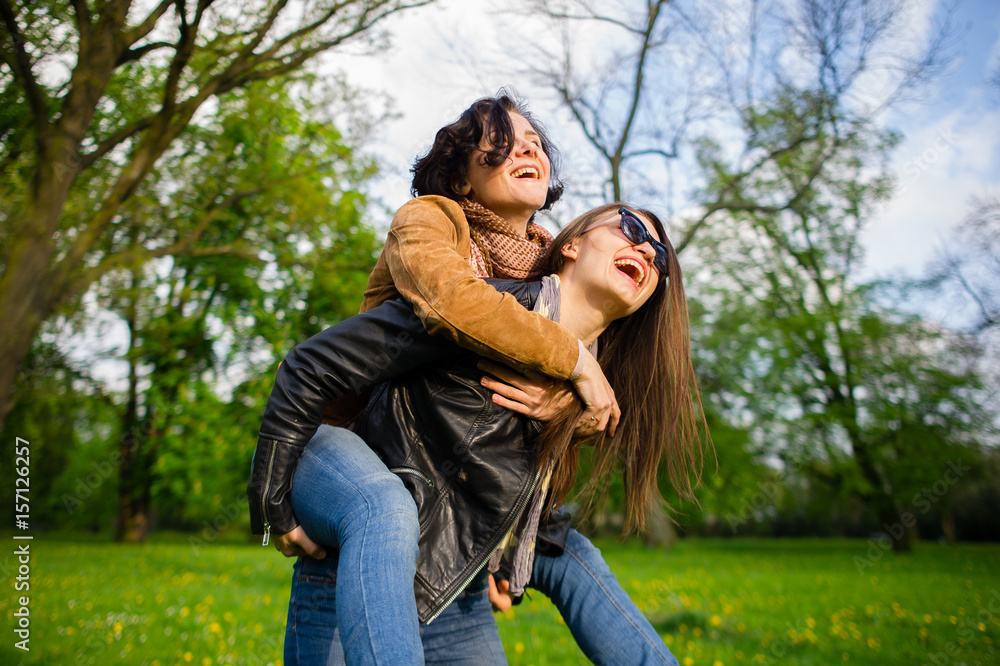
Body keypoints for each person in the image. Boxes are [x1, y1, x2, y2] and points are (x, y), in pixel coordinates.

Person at [247, 92, 705, 663]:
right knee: (384, 507)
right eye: (503, 141)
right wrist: (574, 363)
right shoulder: (442, 235)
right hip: (346, 450)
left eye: (536, 144)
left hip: (439, 551)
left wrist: (505, 546)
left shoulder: (551, 309)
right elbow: (448, 303)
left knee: (570, 550)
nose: (647, 249)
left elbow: (521, 474)